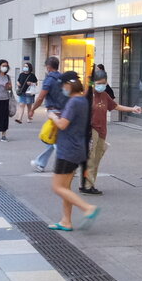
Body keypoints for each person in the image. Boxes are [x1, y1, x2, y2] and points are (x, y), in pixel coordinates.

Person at [46, 71, 100, 232]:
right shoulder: (82, 100)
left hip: (67, 150)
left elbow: (62, 124)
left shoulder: (73, 102)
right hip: (77, 149)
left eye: (63, 85)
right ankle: (66, 221)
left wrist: (52, 117)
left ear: (68, 85)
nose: (62, 88)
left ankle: (88, 208)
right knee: (66, 188)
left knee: (57, 187)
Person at [80, 68, 141, 195]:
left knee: (96, 159)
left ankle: (89, 184)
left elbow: (115, 106)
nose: (101, 86)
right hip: (92, 130)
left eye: (104, 83)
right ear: (93, 83)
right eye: (99, 83)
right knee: (91, 159)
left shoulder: (105, 95)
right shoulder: (88, 96)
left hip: (103, 130)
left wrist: (132, 109)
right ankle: (87, 185)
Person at [31, 56, 68, 171]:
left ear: (48, 67)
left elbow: (41, 97)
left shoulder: (49, 80)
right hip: (64, 111)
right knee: (54, 138)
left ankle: (64, 164)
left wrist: (32, 109)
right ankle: (41, 163)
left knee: (52, 139)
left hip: (54, 112)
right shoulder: (63, 78)